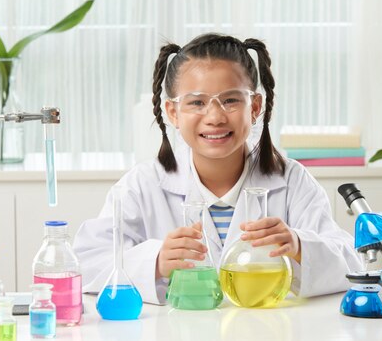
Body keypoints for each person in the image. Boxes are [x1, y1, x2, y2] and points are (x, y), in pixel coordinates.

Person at [73, 33, 360, 304]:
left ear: (255, 106)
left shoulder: (291, 181)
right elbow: (85, 262)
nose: (215, 117)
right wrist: (156, 261)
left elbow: (352, 262)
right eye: (197, 102)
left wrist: (299, 246)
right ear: (173, 112)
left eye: (231, 100)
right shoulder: (142, 184)